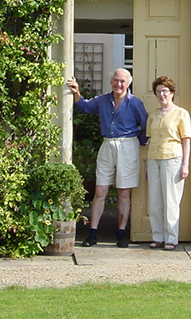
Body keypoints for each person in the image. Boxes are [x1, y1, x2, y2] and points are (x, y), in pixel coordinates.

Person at [66, 68, 147, 248]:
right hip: (107, 144)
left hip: (128, 145)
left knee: (123, 192)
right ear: (111, 82)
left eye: (122, 81)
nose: (119, 84)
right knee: (100, 190)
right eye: (116, 80)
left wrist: (138, 143)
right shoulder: (103, 100)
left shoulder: (135, 103)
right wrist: (76, 92)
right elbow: (84, 107)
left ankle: (120, 234)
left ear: (128, 84)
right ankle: (93, 233)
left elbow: (145, 125)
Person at [146, 76, 191, 251]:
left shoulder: (181, 113)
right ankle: (158, 237)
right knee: (155, 201)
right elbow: (149, 141)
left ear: (172, 93)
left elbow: (186, 140)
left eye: (165, 91)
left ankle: (171, 239)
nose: (161, 94)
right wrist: (146, 165)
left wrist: (185, 164)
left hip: (173, 159)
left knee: (171, 201)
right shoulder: (153, 115)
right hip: (153, 159)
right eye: (158, 91)